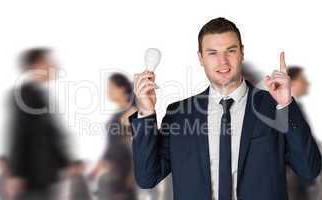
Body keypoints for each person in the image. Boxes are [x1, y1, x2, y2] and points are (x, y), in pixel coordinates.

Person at [130, 18, 322, 200]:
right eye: (212, 53)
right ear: (201, 58)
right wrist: (146, 113)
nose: (222, 61)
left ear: (242, 53)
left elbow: (309, 169)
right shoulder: (179, 114)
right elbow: (147, 177)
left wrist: (286, 105)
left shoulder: (273, 106)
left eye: (230, 51)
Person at [7, 48, 70, 200]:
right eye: (49, 62)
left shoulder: (40, 95)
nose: (53, 66)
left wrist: (65, 163)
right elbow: (18, 134)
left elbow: (50, 136)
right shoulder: (24, 95)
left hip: (45, 178)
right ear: (36, 65)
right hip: (32, 180)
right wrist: (16, 173)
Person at [90, 73, 137, 200]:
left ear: (122, 89)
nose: (108, 91)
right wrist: (97, 167)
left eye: (110, 87)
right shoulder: (117, 115)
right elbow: (111, 145)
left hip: (123, 173)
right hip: (112, 173)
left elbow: (135, 144)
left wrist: (132, 175)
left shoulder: (131, 112)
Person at [286, 66, 322, 200]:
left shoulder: (295, 108)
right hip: (296, 181)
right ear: (291, 83)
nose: (307, 83)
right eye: (303, 79)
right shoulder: (287, 110)